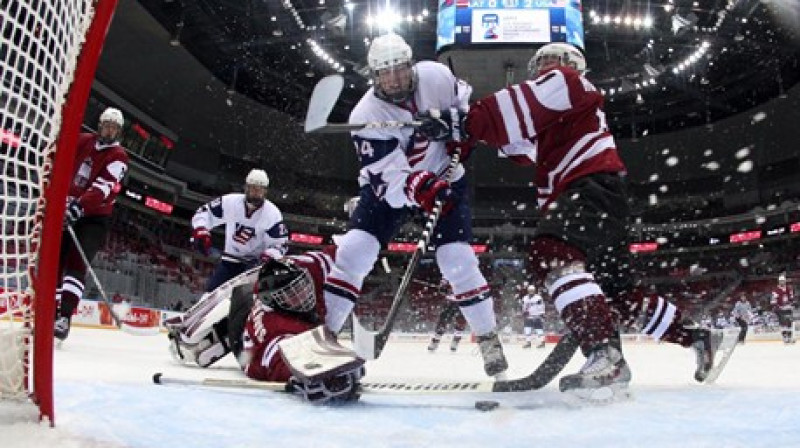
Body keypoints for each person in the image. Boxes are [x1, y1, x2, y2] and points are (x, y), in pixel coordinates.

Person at [415, 42, 734, 398]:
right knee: (618, 293)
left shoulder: (567, 83)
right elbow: (515, 142)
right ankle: (696, 337)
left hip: (589, 187)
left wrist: (461, 123)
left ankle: (605, 356)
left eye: (548, 62)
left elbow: (511, 111)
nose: (542, 68)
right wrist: (462, 132)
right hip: (604, 195)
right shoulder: (562, 114)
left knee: (549, 253)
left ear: (570, 65)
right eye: (540, 64)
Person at [321, 33, 508, 377]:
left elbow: (465, 103)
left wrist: (458, 131)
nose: (394, 79)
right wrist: (419, 187)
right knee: (354, 252)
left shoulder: (435, 75)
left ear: (411, 65)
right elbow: (387, 179)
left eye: (400, 68)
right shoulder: (366, 114)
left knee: (457, 260)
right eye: (384, 72)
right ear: (373, 76)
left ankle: (488, 339)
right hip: (394, 187)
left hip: (445, 174)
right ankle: (325, 335)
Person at [168, 250, 364, 404]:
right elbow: (280, 359)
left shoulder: (266, 294)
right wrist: (314, 374)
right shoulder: (277, 330)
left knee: (243, 292)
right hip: (252, 353)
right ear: (273, 300)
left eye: (302, 287)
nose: (303, 296)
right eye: (292, 294)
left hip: (245, 320)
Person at [54, 107, 129, 341]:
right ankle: (51, 310)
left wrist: (79, 206)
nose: (109, 130)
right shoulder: (83, 141)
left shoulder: (119, 156)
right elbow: (62, 160)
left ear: (119, 131)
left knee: (76, 263)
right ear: (99, 125)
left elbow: (102, 188)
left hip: (93, 219)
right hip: (66, 211)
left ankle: (64, 316)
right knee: (55, 264)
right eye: (106, 125)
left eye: (114, 127)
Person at [190, 168, 289, 292]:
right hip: (229, 261)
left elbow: (280, 244)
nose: (256, 192)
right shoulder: (230, 202)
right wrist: (201, 230)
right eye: (253, 188)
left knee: (247, 301)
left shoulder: (273, 214)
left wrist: (270, 254)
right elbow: (205, 212)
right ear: (246, 187)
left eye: (260, 189)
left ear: (265, 191)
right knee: (211, 295)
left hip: (255, 267)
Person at [427, 279, 467, 352]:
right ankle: (435, 341)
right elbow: (442, 286)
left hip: (463, 301)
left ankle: (455, 341)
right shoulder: (448, 272)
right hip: (450, 302)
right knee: (442, 322)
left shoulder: (467, 273)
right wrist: (443, 289)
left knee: (461, 322)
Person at [770, 274, 796, 344]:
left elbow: (791, 298)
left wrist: (792, 304)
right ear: (779, 282)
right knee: (783, 323)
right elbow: (773, 301)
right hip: (780, 310)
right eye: (781, 281)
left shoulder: (789, 289)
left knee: (789, 323)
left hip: (787, 308)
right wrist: (778, 306)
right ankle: (785, 337)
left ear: (785, 281)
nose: (782, 282)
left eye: (783, 281)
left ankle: (789, 337)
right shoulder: (775, 290)